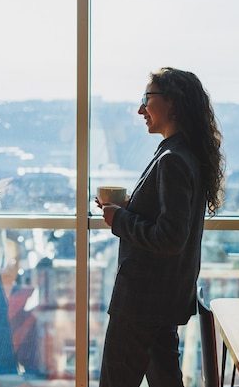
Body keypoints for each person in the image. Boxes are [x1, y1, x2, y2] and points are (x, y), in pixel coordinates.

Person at [96, 67, 225, 387]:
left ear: (172, 103)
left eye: (146, 99)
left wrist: (119, 219)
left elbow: (169, 237)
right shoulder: (184, 154)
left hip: (142, 302)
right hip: (163, 299)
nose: (140, 109)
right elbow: (171, 222)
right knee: (166, 380)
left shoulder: (172, 159)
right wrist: (131, 207)